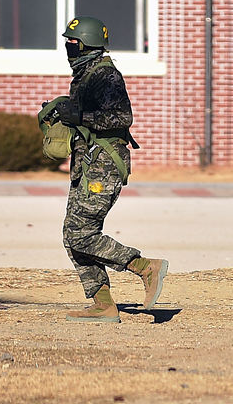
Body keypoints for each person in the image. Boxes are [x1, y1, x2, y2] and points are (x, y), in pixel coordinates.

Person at [53, 16, 168, 323]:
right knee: (72, 235)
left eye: (72, 43)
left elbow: (121, 118)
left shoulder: (106, 76)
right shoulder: (85, 74)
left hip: (103, 168)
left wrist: (80, 115)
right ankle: (103, 305)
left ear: (87, 44)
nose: (68, 48)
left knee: (81, 234)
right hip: (87, 166)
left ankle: (145, 267)